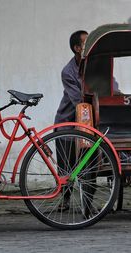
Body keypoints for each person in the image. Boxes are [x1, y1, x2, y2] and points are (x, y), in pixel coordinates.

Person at [54, 30, 88, 211]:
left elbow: (111, 85)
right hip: (67, 122)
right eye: (86, 43)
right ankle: (65, 199)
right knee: (66, 165)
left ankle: (87, 200)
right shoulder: (68, 71)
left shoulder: (95, 65)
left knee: (87, 162)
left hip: (87, 120)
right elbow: (78, 101)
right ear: (77, 48)